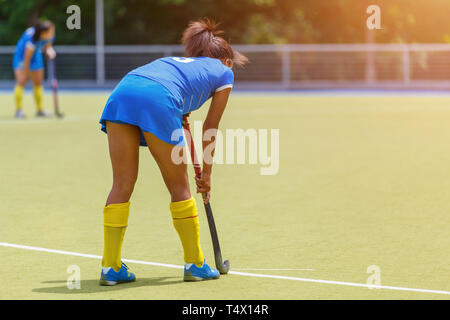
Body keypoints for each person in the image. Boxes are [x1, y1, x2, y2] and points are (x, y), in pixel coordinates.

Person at [98, 19, 248, 285]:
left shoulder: (179, 63)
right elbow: (210, 128)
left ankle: (110, 268)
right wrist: (208, 174)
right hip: (159, 98)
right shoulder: (225, 71)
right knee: (180, 187)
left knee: (121, 183)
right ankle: (195, 263)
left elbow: (174, 93)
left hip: (123, 91)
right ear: (226, 60)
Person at [12, 20, 56, 118]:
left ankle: (40, 110)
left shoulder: (50, 35)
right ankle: (19, 110)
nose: (53, 33)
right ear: (43, 33)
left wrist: (49, 50)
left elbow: (48, 44)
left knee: (38, 82)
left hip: (36, 55)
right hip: (21, 56)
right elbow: (26, 58)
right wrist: (25, 72)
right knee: (21, 81)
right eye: (51, 31)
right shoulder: (31, 38)